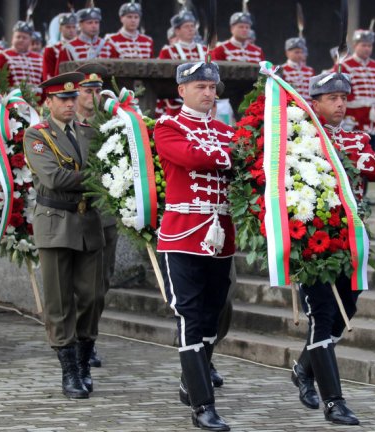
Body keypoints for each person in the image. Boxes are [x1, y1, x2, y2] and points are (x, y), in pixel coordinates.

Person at [288, 71, 375, 427]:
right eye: (332, 98)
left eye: (344, 98)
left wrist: (353, 156)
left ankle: (303, 367)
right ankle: (334, 401)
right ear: (314, 103)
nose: (340, 104)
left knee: (348, 307)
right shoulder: (302, 137)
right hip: (312, 238)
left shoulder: (356, 137)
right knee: (322, 314)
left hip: (350, 238)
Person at [154, 61, 235, 431]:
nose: (208, 93)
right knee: (188, 315)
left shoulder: (223, 129)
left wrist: (227, 153)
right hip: (183, 234)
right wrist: (225, 156)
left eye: (212, 87)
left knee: (212, 315)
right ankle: (203, 406)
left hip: (222, 235)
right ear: (182, 90)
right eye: (200, 86)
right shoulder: (168, 126)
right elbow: (188, 156)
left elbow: (246, 162)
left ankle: (192, 380)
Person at [23, 71, 105, 399]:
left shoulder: (90, 132)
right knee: (58, 300)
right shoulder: (36, 135)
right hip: (55, 221)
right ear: (49, 101)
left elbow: (107, 166)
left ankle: (84, 360)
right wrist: (98, 175)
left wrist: (94, 175)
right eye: (63, 99)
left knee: (93, 297)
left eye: (73, 98)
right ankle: (69, 370)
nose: (70, 104)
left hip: (88, 223)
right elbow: (54, 178)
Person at [73, 63, 112, 368]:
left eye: (98, 90)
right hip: (72, 214)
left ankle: (89, 338)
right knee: (75, 284)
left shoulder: (111, 124)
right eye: (88, 90)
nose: (94, 96)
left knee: (101, 284)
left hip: (104, 214)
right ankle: (73, 338)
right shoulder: (64, 124)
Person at [337, 28, 375, 205]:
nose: (367, 49)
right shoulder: (345, 66)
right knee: (354, 157)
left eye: (369, 45)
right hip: (353, 119)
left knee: (370, 156)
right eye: (363, 45)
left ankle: (364, 194)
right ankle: (353, 193)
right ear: (355, 46)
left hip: (372, 120)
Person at [156, 9, 206, 118]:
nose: (190, 29)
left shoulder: (205, 50)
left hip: (204, 101)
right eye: (186, 26)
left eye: (192, 26)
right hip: (177, 102)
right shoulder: (167, 51)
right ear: (177, 31)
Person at [0, 22, 43, 95]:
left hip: (38, 103)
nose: (21, 40)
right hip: (12, 101)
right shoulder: (2, 57)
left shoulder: (39, 58)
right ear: (13, 38)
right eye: (18, 37)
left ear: (30, 40)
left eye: (24, 37)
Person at [42, 12, 77, 81]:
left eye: (73, 27)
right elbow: (48, 74)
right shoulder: (51, 49)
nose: (71, 30)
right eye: (68, 27)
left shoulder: (81, 47)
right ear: (60, 28)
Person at [279, 37, 314, 103]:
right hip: (291, 108)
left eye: (301, 52)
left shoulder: (309, 71)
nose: (300, 55)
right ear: (287, 53)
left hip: (309, 108)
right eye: (297, 52)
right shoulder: (282, 70)